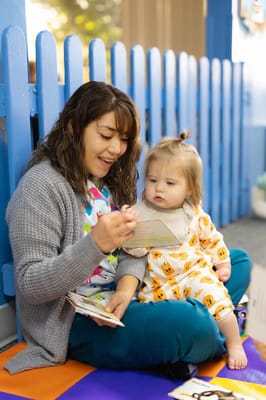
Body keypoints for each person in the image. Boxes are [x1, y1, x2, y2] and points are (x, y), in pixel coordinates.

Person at [5, 81, 251, 377]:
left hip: (136, 295)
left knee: (235, 262)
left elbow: (136, 248)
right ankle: (213, 331)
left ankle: (190, 340)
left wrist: (125, 288)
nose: (116, 149)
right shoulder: (40, 186)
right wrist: (95, 244)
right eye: (106, 135)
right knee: (191, 322)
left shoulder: (108, 182)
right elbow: (30, 283)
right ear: (72, 126)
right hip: (82, 320)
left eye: (123, 139)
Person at [123, 133, 247, 370]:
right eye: (152, 180)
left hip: (193, 275)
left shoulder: (194, 213)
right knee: (165, 323)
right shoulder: (143, 214)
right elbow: (133, 252)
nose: (159, 188)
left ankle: (232, 342)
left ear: (189, 189)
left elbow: (213, 240)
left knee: (220, 303)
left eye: (170, 183)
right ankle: (192, 343)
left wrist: (222, 264)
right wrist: (130, 229)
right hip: (159, 285)